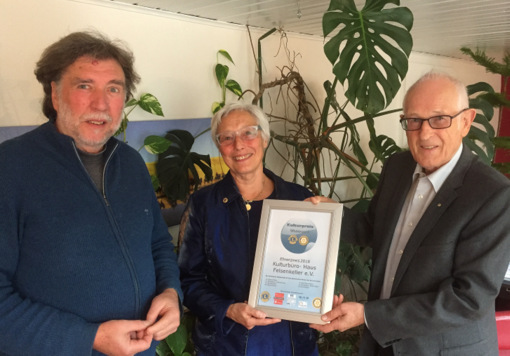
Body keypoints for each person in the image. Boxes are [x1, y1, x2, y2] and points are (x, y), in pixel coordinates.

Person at [0, 31, 182, 356]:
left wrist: (170, 292)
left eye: (113, 89)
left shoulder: (131, 163)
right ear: (55, 94)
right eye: (84, 86)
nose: (101, 103)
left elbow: (157, 243)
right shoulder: (9, 168)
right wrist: (88, 338)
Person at [310, 71, 510, 355]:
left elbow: (468, 299)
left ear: (466, 122)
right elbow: (373, 227)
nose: (424, 133)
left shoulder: (492, 194)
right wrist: (330, 215)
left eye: (440, 119)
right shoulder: (398, 168)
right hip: (383, 344)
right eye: (413, 120)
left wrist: (368, 315)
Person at [178, 103, 319, 355]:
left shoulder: (301, 200)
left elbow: (314, 272)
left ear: (265, 139)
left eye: (248, 133)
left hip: (293, 343)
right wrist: (227, 309)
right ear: (220, 147)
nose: (239, 145)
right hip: (226, 343)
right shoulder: (202, 205)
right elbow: (188, 281)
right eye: (227, 138)